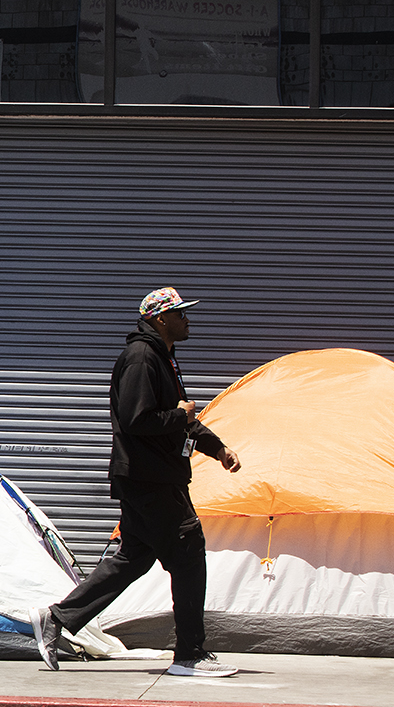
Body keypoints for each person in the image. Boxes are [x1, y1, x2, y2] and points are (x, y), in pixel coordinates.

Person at [31, 286, 244, 678]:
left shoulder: (162, 356)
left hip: (151, 477)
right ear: (160, 319)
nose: (187, 319)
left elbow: (179, 415)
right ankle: (189, 654)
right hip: (151, 479)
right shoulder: (142, 357)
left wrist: (217, 448)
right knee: (188, 552)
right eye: (180, 313)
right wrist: (179, 417)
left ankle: (57, 618)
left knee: (133, 559)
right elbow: (136, 419)